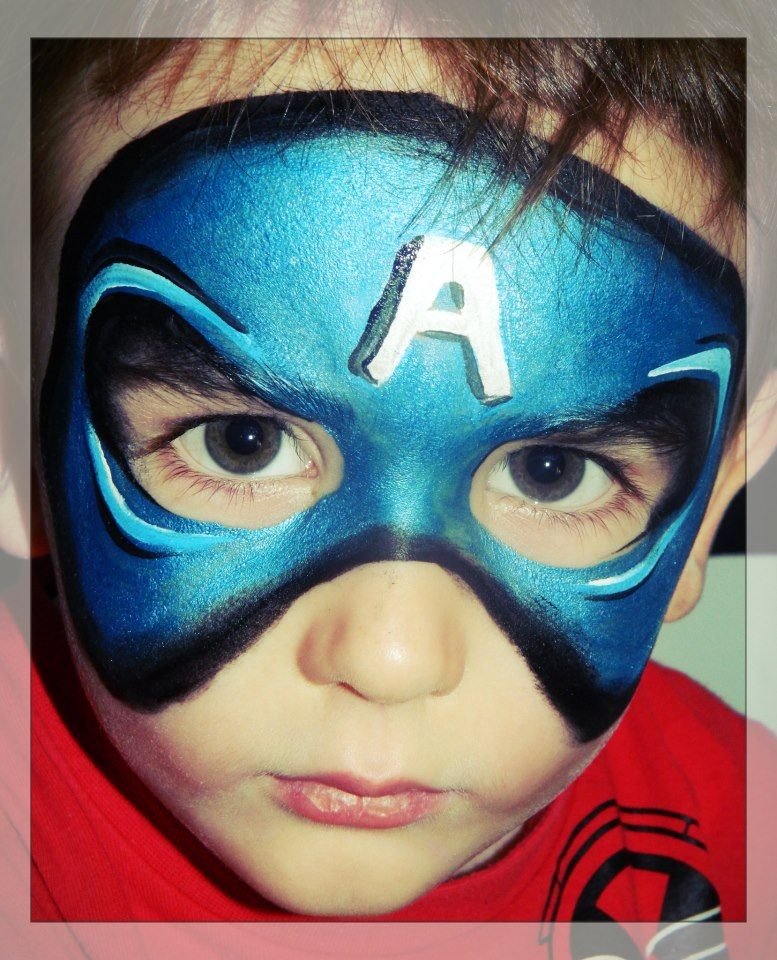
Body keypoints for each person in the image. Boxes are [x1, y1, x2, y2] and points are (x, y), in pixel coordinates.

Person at [28, 35, 777, 951]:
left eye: (553, 471)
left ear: (708, 506)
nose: (390, 658)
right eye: (241, 444)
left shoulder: (746, 830)